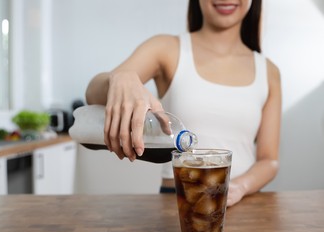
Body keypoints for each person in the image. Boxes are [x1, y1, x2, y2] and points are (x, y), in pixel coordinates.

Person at [85, 0, 281, 207]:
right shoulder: (166, 49)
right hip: (177, 204)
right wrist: (120, 78)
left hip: (244, 204)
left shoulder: (269, 72)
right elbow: (92, 94)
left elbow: (269, 160)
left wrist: (240, 187)